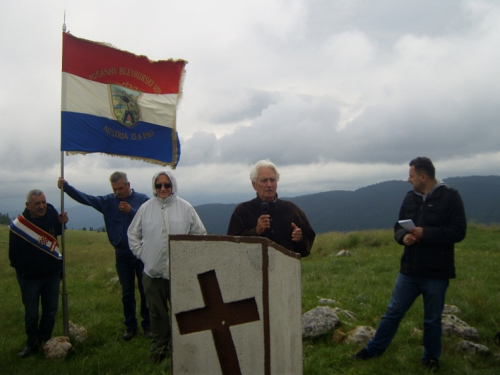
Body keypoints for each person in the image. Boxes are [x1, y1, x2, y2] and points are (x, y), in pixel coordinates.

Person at [353, 157, 467, 371]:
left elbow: (459, 231)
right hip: (409, 270)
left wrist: (426, 234)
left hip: (436, 272)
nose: (408, 179)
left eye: (411, 175)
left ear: (423, 177)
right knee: (393, 312)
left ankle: (431, 358)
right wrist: (403, 238)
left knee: (432, 319)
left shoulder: (450, 198)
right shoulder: (410, 198)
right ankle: (373, 350)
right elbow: (398, 227)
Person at [57, 172, 150, 340]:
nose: (117, 192)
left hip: (142, 253)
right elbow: (86, 198)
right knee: (127, 292)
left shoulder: (142, 200)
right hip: (122, 254)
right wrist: (67, 188)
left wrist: (131, 211)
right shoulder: (108, 202)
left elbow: (151, 221)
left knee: (145, 290)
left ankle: (148, 326)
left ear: (128, 185)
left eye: (120, 188)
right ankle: (130, 327)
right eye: (115, 189)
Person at [128, 171, 207, 363]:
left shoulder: (185, 208)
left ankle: (185, 350)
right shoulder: (146, 208)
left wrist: (188, 260)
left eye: (167, 185)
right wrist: (143, 255)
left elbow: (200, 234)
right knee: (157, 314)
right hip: (153, 273)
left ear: (173, 186)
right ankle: (160, 349)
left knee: (184, 311)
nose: (163, 189)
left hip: (179, 273)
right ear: (154, 187)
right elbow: (133, 234)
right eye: (158, 185)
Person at [9, 189, 68, 358]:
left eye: (43, 202)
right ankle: (31, 344)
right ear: (28, 206)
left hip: (52, 274)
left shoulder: (51, 212)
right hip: (30, 278)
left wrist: (63, 221)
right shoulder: (19, 226)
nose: (42, 206)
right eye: (37, 204)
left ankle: (45, 341)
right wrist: (27, 272)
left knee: (50, 310)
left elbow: (58, 230)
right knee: (32, 313)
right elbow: (13, 257)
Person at [227, 159, 315, 257]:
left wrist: (300, 239)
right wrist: (255, 231)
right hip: (253, 270)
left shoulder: (292, 210)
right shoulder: (242, 211)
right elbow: (231, 248)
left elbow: (306, 249)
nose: (269, 185)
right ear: (254, 184)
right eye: (264, 180)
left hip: (285, 269)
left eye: (272, 180)